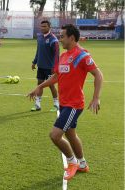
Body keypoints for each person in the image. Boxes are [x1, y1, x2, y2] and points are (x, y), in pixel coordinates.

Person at [27, 24, 103, 180]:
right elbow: (56, 77)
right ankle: (82, 164)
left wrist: (96, 97)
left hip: (74, 105)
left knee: (55, 135)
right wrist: (39, 87)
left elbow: (98, 75)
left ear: (72, 38)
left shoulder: (82, 55)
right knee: (71, 135)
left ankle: (72, 162)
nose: (60, 39)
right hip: (64, 103)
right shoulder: (63, 56)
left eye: (62, 36)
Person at [31, 20, 59, 112]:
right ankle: (37, 104)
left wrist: (55, 67)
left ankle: (56, 104)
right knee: (39, 84)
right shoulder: (39, 37)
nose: (43, 28)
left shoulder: (53, 40)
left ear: (49, 27)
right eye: (41, 26)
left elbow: (56, 55)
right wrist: (34, 62)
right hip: (41, 66)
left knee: (51, 86)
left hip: (50, 68)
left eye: (45, 26)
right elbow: (38, 51)